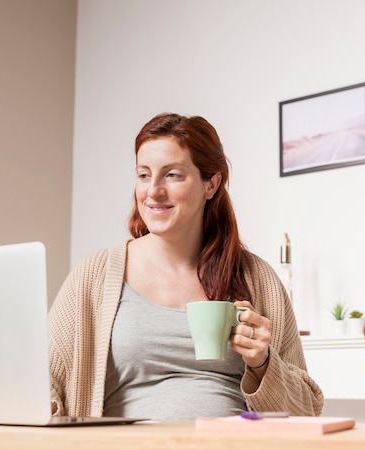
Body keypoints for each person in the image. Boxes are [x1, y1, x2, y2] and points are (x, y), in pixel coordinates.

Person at [48, 113, 324, 420]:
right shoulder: (94, 276)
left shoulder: (257, 278)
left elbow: (306, 412)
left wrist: (262, 364)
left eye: (172, 175)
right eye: (143, 175)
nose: (153, 191)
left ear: (211, 184)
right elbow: (43, 387)